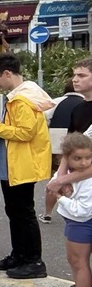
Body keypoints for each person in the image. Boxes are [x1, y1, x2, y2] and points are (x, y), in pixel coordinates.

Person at [0, 53, 53, 279]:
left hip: (22, 163)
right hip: (16, 162)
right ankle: (19, 255)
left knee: (22, 213)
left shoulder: (21, 100)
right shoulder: (24, 96)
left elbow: (25, 132)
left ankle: (33, 261)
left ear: (7, 74)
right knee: (16, 211)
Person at [45, 133, 92, 287]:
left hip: (81, 221)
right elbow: (55, 180)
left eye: (88, 158)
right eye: (77, 158)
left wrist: (59, 198)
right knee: (76, 261)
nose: (83, 163)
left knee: (78, 261)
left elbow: (82, 210)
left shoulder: (87, 180)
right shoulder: (72, 173)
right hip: (76, 221)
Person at [46, 59, 92, 209]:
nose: (75, 79)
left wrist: (62, 180)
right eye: (74, 75)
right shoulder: (78, 109)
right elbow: (69, 147)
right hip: (79, 180)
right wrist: (61, 175)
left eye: (81, 75)